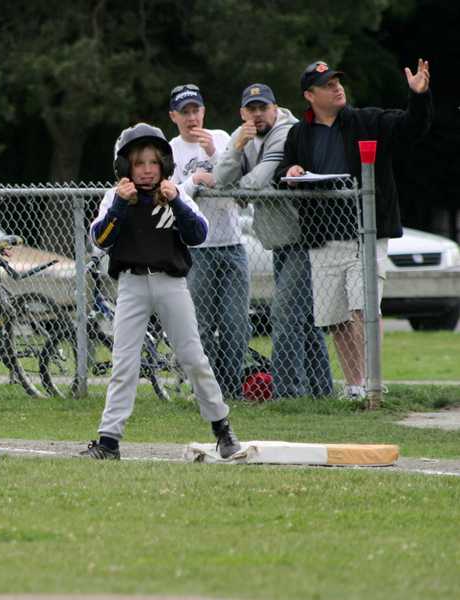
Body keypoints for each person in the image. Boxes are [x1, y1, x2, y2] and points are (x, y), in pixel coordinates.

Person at [81, 123, 241, 461]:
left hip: (171, 284)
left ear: (164, 164)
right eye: (139, 163)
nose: (147, 170)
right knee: (124, 363)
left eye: (153, 162)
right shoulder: (114, 197)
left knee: (193, 358)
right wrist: (120, 205)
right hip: (132, 284)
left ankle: (221, 427)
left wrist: (177, 202)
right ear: (125, 166)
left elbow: (198, 234)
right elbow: (100, 240)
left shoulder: (175, 193)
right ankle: (109, 441)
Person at [275, 59, 432, 399]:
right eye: (328, 85)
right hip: (323, 238)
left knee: (364, 310)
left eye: (338, 82)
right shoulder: (299, 133)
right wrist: (292, 171)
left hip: (366, 234)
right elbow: (282, 170)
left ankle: (373, 382)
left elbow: (412, 127)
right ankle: (355, 386)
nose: (337, 88)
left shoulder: (367, 121)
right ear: (310, 96)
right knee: (337, 318)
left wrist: (419, 96)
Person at [215, 83, 333, 398]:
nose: (257, 115)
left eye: (263, 108)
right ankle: (321, 393)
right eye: (251, 109)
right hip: (279, 240)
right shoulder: (244, 135)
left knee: (284, 313)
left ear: (275, 108)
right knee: (304, 321)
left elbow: (256, 182)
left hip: (305, 237)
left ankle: (288, 393)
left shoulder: (287, 131)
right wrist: (237, 147)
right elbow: (220, 178)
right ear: (242, 113)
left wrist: (235, 189)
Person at [168, 84, 250, 399]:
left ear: (203, 111)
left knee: (235, 324)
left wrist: (215, 154)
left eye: (196, 110)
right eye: (185, 112)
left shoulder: (222, 138)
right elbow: (169, 196)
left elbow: (238, 183)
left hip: (231, 243)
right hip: (195, 250)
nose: (192, 118)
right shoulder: (170, 150)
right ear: (173, 116)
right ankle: (205, 389)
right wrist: (194, 181)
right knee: (199, 324)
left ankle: (231, 390)